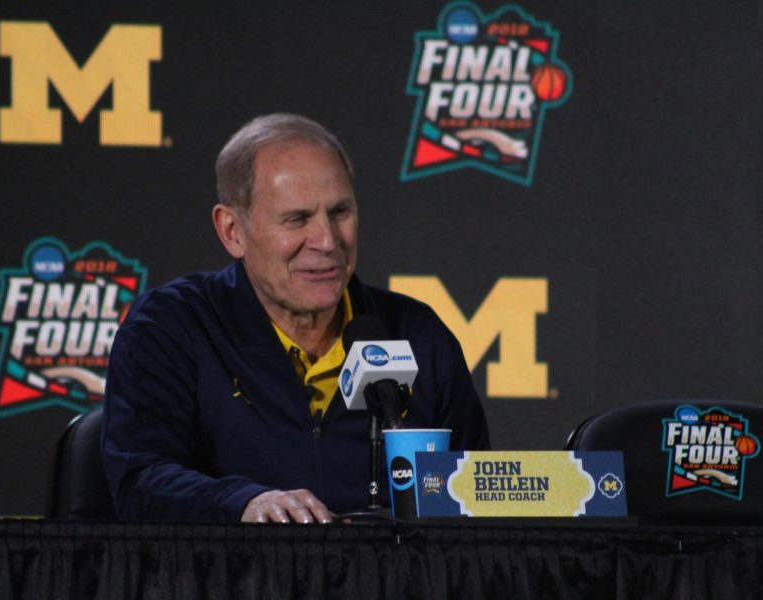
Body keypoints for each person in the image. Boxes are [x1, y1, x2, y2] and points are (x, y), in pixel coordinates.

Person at [102, 113, 490, 523]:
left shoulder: (417, 333)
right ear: (232, 230)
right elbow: (140, 480)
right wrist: (244, 504)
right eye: (297, 219)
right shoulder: (170, 326)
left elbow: (475, 501)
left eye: (340, 212)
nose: (327, 241)